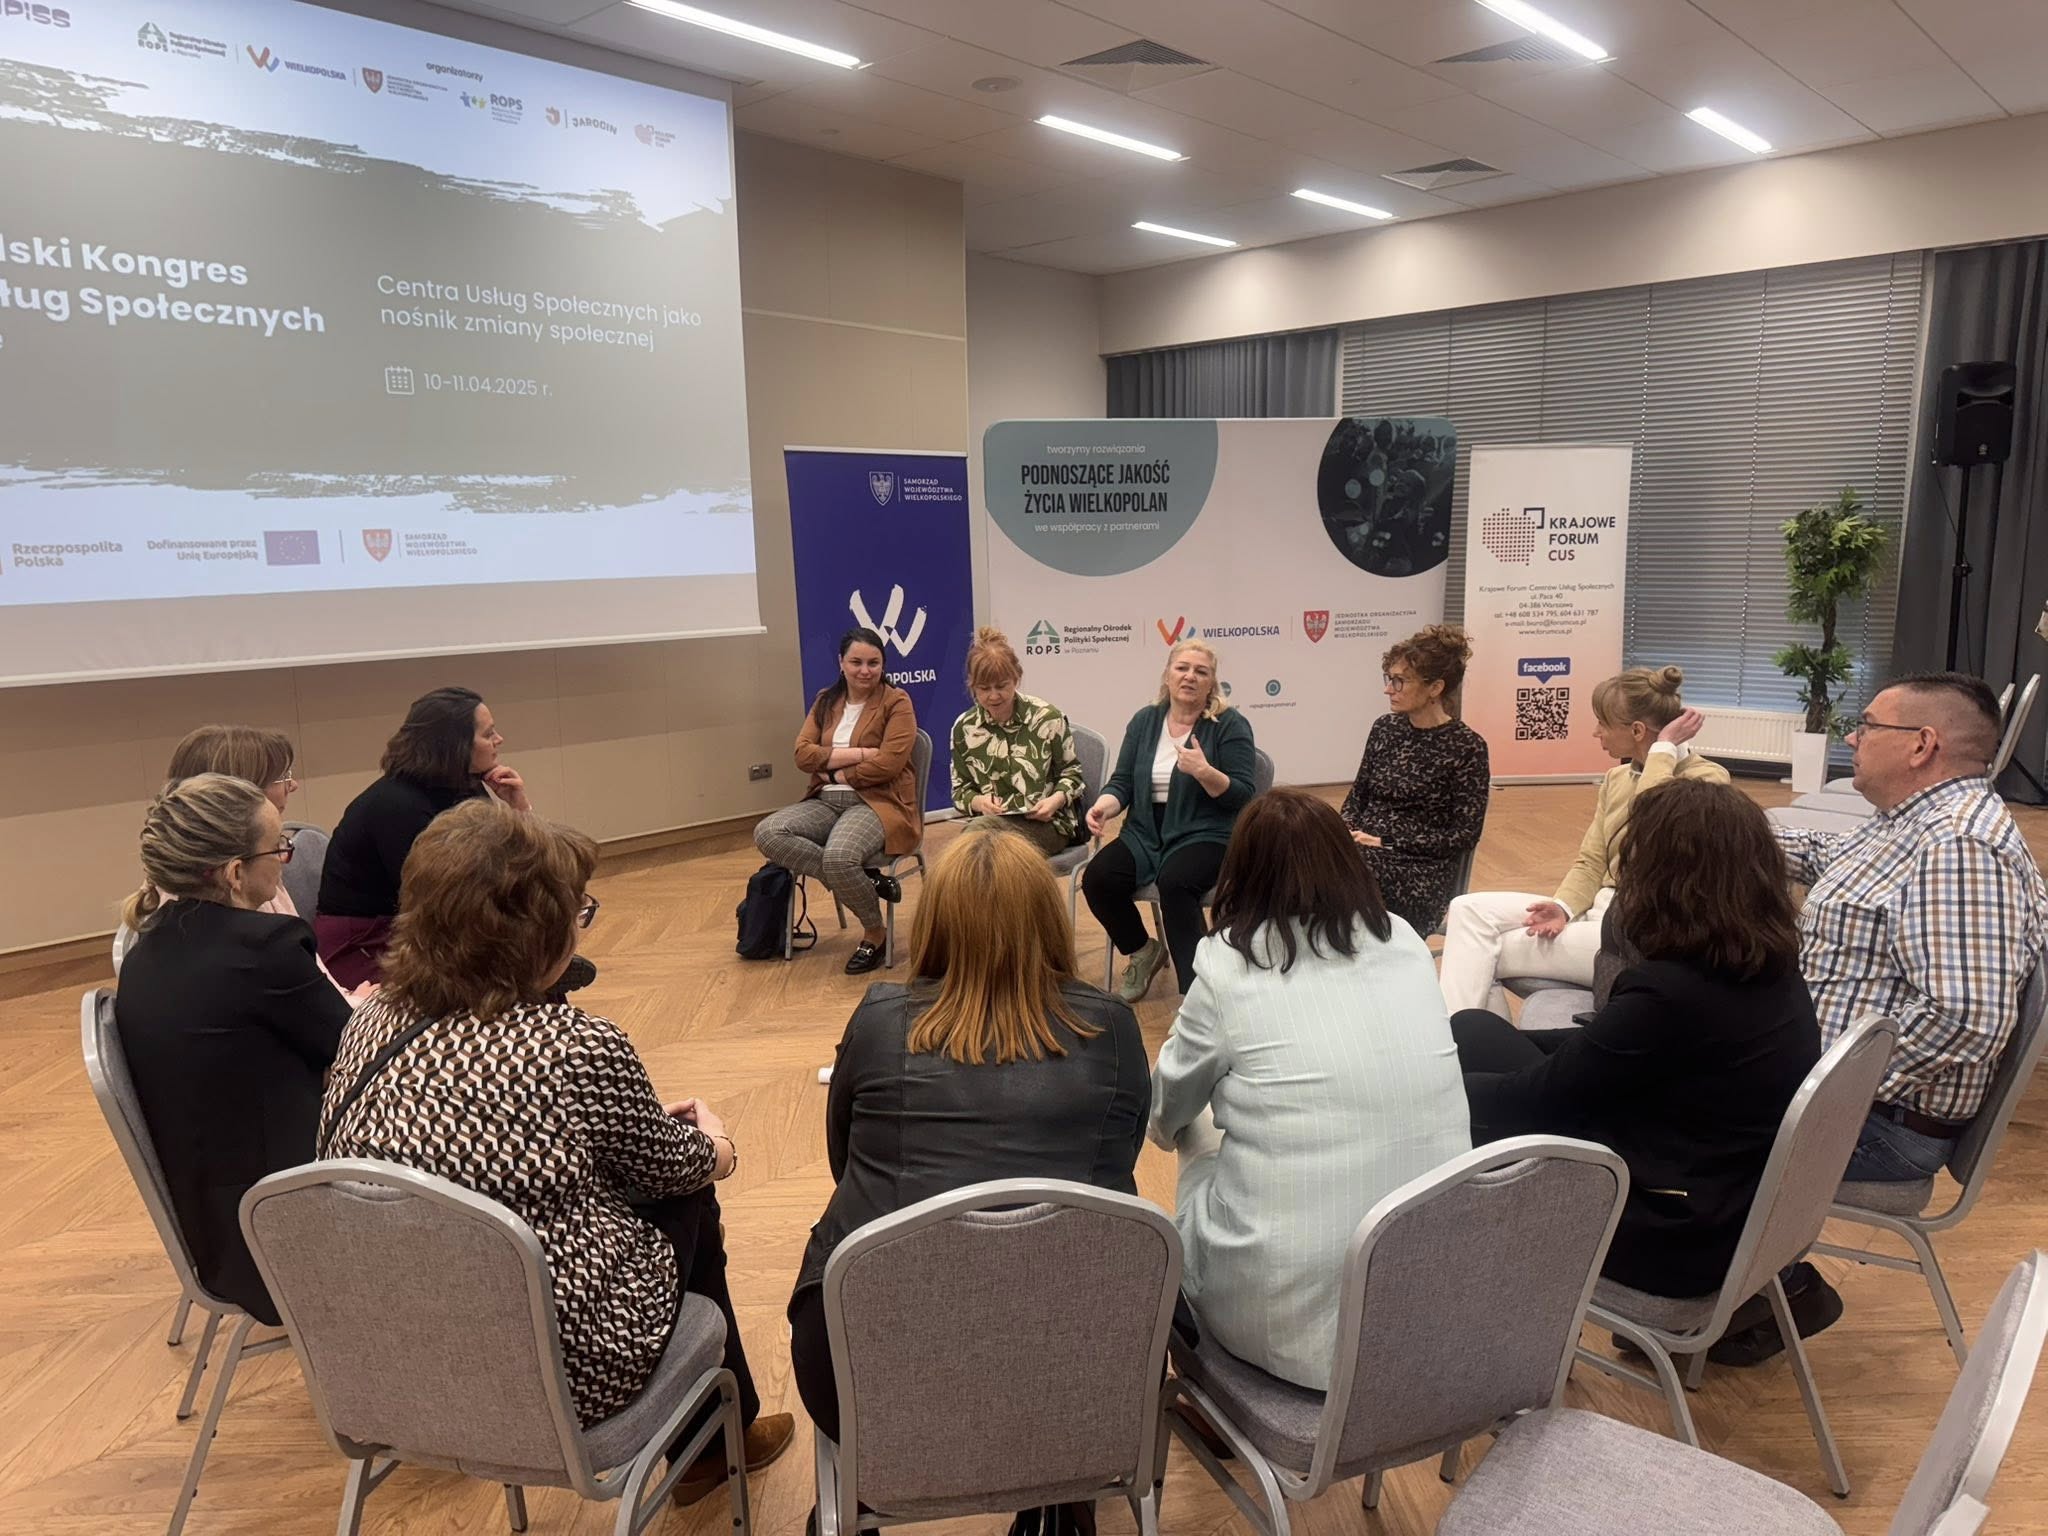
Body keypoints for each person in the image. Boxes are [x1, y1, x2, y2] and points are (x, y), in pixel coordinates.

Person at [318, 799, 793, 1503]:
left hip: (395, 1358)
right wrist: (717, 1147)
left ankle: (716, 1445)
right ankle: (714, 1450)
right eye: (578, 912)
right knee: (686, 1190)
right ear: (537, 932)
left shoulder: (369, 1022)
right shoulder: (575, 1047)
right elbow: (674, 1167)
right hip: (558, 1375)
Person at [1719, 672, 2048, 1365]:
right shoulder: (1912, 821)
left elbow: (1966, 1018)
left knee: (1653, 1113)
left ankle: (1755, 1291)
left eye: (1868, 725)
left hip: (1877, 1127)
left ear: (1922, 745)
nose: (1852, 737)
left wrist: (1817, 1092)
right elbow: (1828, 855)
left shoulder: (1959, 847)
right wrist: (1721, 826)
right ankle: (1731, 1285)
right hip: (1849, 1100)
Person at [788, 820, 1147, 1443]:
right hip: (1082, 1367)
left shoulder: (879, 1021)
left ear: (935, 923)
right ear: (1049, 922)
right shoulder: (1111, 1028)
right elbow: (1125, 1154)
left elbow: (843, 1161)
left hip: (865, 1371)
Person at [1452, 779, 1821, 1308]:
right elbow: (1613, 1051)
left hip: (1667, 1233)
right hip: (1721, 1199)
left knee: (1453, 1102)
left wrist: (1424, 1087)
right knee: (1474, 1028)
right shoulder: (1766, 964)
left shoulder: (1671, 992)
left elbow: (1533, 1098)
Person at [1151, 789, 1470, 1389]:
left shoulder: (1226, 961)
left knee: (1194, 1129)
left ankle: (1202, 1360)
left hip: (1290, 1330)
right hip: (1426, 1306)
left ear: (1241, 871)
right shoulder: (1403, 938)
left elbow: (1166, 1106)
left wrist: (1174, 1125)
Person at [115, 774, 349, 1325]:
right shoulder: (264, 950)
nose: (286, 859)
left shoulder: (148, 951)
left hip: (221, 1233)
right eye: (277, 847)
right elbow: (356, 1049)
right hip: (288, 1237)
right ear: (234, 873)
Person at [1438, 666, 1728, 1014]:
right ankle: (1467, 1038)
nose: (1595, 732)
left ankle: (1465, 1040)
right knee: (1467, 910)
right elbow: (1591, 861)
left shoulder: (1707, 779)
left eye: (1602, 723)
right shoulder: (1616, 778)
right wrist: (1563, 906)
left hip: (1638, 931)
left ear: (1637, 731)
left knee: (1484, 952)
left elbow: (1651, 831)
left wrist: (1662, 751)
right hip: (1597, 912)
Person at [314, 686, 531, 990]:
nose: (499, 739)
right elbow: (438, 900)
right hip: (364, 941)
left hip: (421, 925)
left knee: (526, 955)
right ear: (455, 745)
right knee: (503, 969)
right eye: (488, 734)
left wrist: (518, 809)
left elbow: (504, 864)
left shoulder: (464, 785)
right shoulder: (395, 805)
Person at [1082, 640, 1258, 1002]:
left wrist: (1205, 772)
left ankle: (1196, 995)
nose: (1190, 676)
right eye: (1182, 668)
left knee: (1175, 883)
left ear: (1211, 683)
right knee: (1098, 878)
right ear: (1167, 675)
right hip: (1146, 830)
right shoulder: (1145, 721)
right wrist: (1104, 805)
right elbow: (1123, 782)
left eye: (1200, 671)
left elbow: (1243, 795)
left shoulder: (1229, 725)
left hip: (1207, 831)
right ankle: (1142, 950)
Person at [755, 628, 921, 976]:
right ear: (841, 663)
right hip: (825, 801)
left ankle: (874, 933)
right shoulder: (825, 701)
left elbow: (889, 763)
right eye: (856, 662)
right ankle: (863, 879)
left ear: (883, 665)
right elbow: (802, 755)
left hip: (876, 802)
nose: (865, 671)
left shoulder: (896, 701)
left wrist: (836, 772)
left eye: (874, 663)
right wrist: (861, 753)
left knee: (838, 857)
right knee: (768, 832)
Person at [1338, 624, 1490, 934]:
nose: (1388, 689)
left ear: (1435, 688)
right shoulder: (1385, 729)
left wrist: (1385, 842)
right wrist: (1346, 831)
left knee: (1344, 879)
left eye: (1400, 681)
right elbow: (1357, 798)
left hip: (1419, 870)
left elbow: (1463, 836)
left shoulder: (1467, 747)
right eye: (1389, 678)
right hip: (1363, 851)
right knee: (1303, 859)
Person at [949, 626, 1086, 857]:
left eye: (1002, 686)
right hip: (990, 824)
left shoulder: (1047, 718)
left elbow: (1073, 775)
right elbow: (960, 791)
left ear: (1016, 679)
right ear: (972, 686)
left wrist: (1055, 800)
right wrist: (979, 802)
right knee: (982, 848)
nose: (994, 696)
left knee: (980, 849)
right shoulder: (964, 728)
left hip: (1048, 824)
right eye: (984, 689)